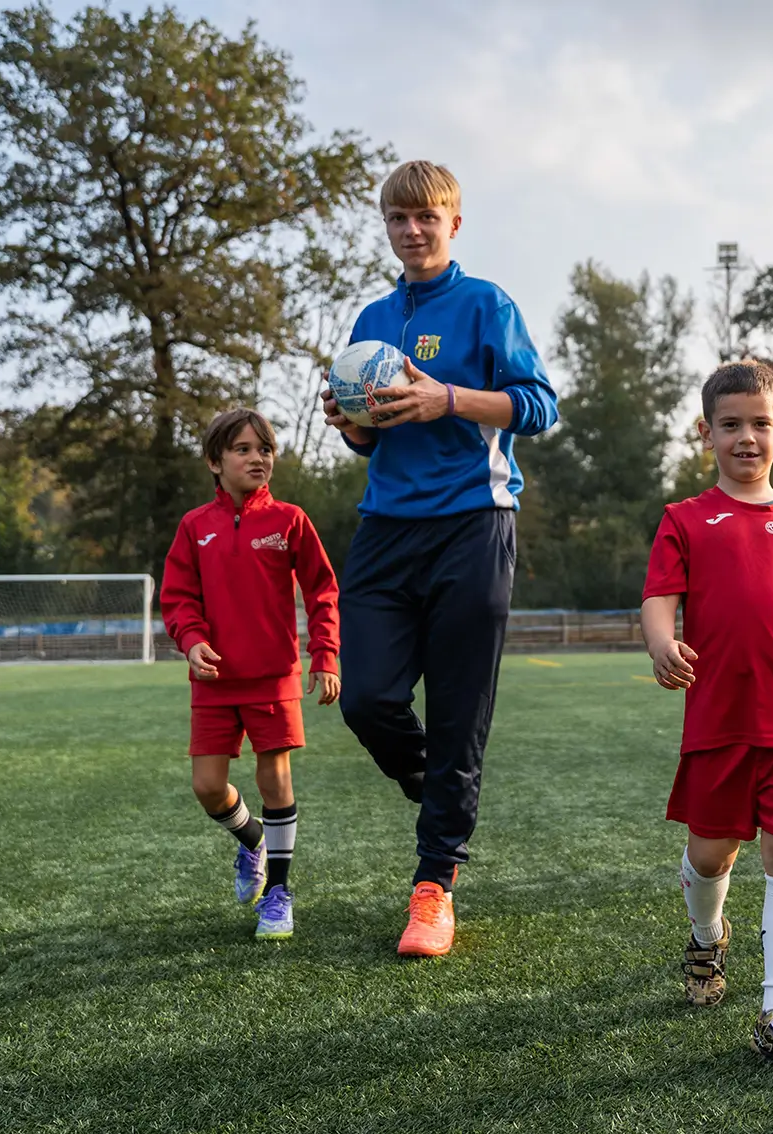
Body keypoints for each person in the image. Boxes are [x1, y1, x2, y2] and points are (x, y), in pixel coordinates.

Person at [320, 160, 559, 958]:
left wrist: (447, 397)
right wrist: (350, 421)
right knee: (365, 700)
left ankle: (434, 882)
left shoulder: (487, 305)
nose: (412, 230)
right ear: (386, 226)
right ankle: (442, 799)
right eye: (398, 218)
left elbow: (538, 405)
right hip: (386, 528)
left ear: (454, 223)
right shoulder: (374, 317)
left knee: (459, 713)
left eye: (428, 216)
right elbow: (366, 437)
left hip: (474, 522)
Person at [641, 360, 773, 1077]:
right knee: (713, 854)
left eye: (760, 423)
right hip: (719, 718)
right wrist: (662, 641)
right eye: (730, 424)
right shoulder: (685, 519)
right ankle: (707, 935)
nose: (746, 437)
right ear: (705, 432)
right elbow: (659, 600)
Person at [160, 408, 341, 941]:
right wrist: (191, 643)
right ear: (215, 462)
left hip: (272, 675)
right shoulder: (195, 526)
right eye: (243, 449)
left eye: (264, 449)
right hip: (214, 680)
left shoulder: (290, 520)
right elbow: (177, 598)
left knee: (274, 776)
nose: (257, 458)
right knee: (208, 787)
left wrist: (325, 654)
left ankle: (279, 894)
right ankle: (252, 840)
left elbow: (323, 590)